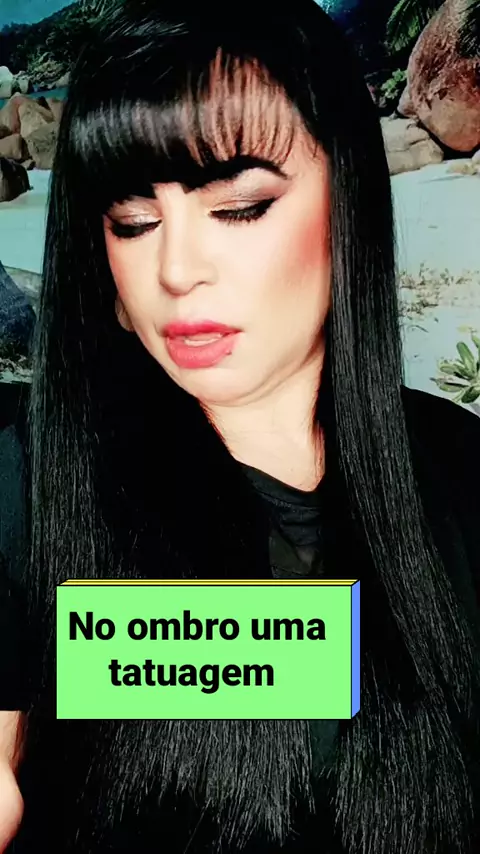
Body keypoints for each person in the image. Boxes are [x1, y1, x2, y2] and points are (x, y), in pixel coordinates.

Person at [6, 0, 480, 852]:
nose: (176, 269)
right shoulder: (31, 481)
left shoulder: (461, 473)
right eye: (132, 222)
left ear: (349, 201)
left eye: (239, 207)